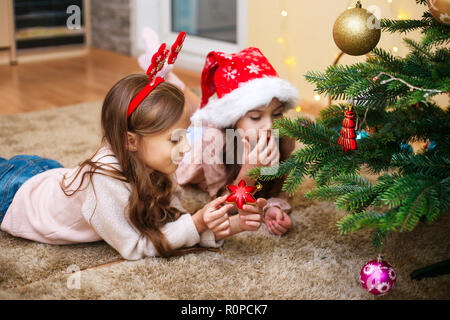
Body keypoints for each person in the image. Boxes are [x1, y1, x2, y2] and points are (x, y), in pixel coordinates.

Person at [0, 33, 266, 260]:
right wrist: (195, 222)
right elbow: (136, 246)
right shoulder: (102, 182)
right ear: (131, 140)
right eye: (175, 138)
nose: (185, 148)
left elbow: (172, 224)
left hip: (49, 174)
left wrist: (227, 225)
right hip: (14, 195)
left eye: (185, 135)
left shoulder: (157, 160)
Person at [177, 47, 300, 236]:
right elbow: (224, 205)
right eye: (256, 117)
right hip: (197, 147)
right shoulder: (213, 140)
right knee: (188, 119)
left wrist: (273, 207)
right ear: (233, 120)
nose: (269, 125)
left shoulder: (281, 137)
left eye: (276, 114)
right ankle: (175, 83)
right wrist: (248, 173)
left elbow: (277, 190)